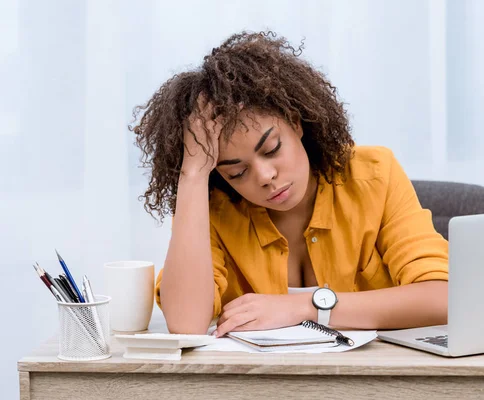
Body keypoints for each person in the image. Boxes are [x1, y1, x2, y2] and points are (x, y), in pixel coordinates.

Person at [131, 31, 448, 336]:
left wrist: (307, 307)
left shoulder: (375, 175)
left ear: (296, 122)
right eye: (237, 172)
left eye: (272, 149)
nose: (265, 177)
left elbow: (443, 298)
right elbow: (186, 325)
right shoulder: (212, 206)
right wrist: (193, 174)